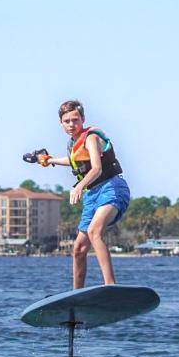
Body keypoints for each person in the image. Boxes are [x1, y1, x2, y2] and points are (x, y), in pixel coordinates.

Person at [37, 100, 130, 289]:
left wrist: (79, 187)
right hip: (92, 195)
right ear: (61, 123)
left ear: (83, 119)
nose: (72, 125)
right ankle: (76, 294)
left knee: (94, 231)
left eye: (75, 120)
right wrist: (50, 160)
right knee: (78, 249)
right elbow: (73, 161)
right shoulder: (73, 145)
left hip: (111, 188)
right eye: (67, 121)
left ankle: (110, 285)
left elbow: (96, 168)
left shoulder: (91, 138)